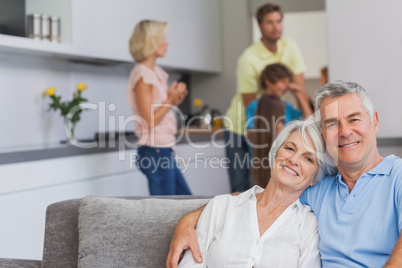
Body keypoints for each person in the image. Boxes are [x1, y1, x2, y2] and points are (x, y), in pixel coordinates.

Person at [166, 81, 402, 268]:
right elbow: (259, 199)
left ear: (375, 122)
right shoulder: (319, 188)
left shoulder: (397, 176)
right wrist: (187, 221)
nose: (345, 131)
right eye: (332, 124)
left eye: (354, 119)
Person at [178, 120, 336, 267]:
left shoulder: (309, 225)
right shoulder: (221, 206)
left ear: (315, 177)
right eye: (289, 148)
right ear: (276, 153)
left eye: (308, 158)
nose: (293, 160)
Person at [224, 3, 309, 193]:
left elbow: (300, 89)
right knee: (242, 185)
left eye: (279, 21)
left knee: (268, 184)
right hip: (241, 126)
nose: (276, 26)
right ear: (260, 26)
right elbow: (252, 106)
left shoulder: (290, 47)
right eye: (270, 22)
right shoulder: (248, 58)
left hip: (272, 123)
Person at [126, 20, 192, 195]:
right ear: (150, 41)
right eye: (162, 37)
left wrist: (174, 99)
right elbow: (149, 120)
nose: (167, 42)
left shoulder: (155, 72)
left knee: (184, 203)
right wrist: (170, 99)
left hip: (161, 150)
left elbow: (157, 111)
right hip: (155, 151)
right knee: (167, 212)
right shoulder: (143, 74)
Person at [247, 63, 313, 187]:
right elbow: (251, 136)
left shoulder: (287, 107)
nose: (285, 86)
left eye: (287, 82)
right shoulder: (255, 106)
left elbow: (310, 122)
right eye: (282, 82)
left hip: (285, 162)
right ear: (268, 81)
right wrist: (276, 138)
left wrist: (299, 93)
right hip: (262, 163)